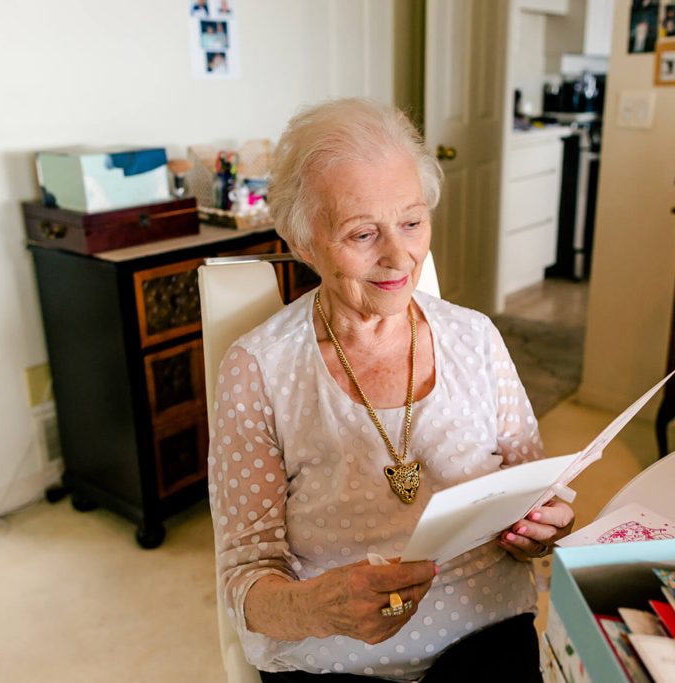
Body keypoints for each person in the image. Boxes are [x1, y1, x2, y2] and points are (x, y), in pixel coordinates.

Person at [208, 98, 575, 681]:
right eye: (361, 233)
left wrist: (541, 531)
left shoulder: (475, 338)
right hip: (336, 663)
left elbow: (537, 497)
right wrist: (318, 606)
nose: (399, 255)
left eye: (411, 221)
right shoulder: (259, 368)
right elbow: (243, 580)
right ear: (304, 242)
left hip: (486, 642)